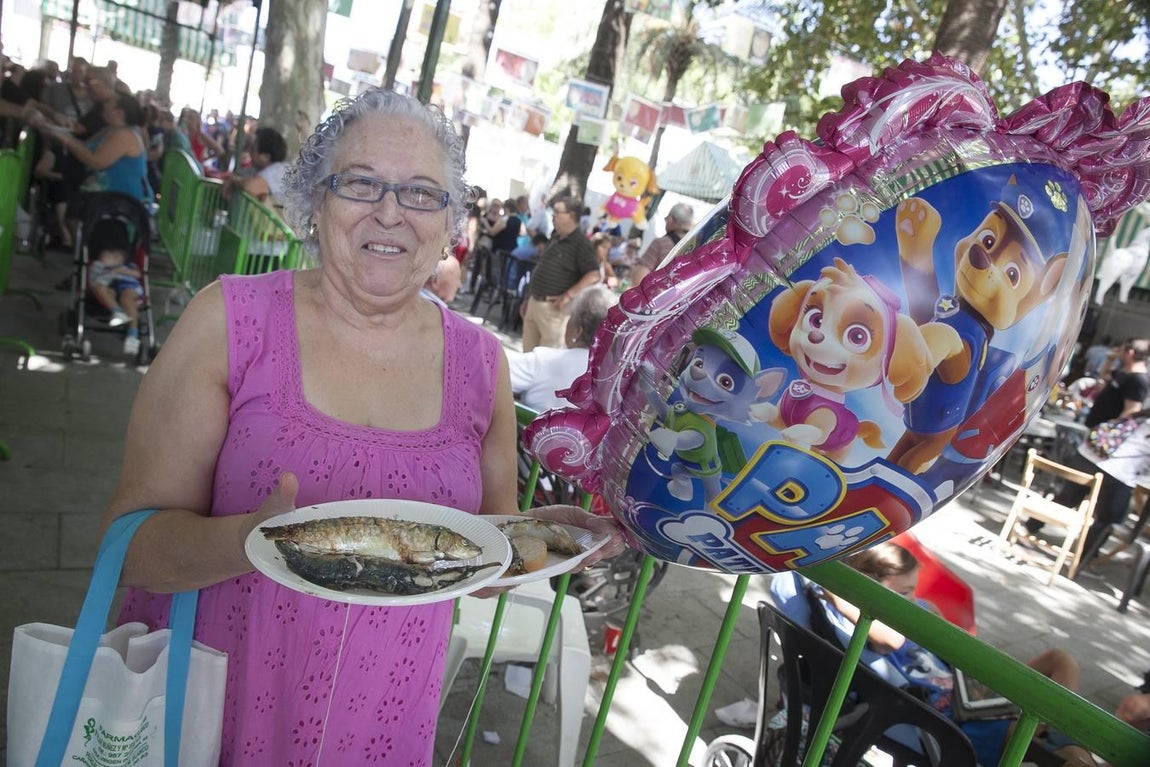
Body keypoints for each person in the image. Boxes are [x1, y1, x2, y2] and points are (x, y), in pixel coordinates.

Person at [101, 87, 623, 765]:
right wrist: (251, 540)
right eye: (360, 183)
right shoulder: (228, 323)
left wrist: (546, 537)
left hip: (380, 719)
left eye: (420, 193)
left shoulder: (479, 363)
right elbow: (130, 546)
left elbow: (483, 560)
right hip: (207, 700)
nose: (389, 211)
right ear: (316, 202)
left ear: (448, 223)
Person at [812, 542, 1094, 767]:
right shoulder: (874, 625)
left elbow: (962, 650)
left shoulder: (922, 608)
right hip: (953, 718)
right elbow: (894, 639)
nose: (912, 601)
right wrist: (837, 584)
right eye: (903, 593)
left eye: (913, 591)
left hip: (972, 693)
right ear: (868, 586)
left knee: (1061, 660)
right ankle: (1066, 746)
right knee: (1054, 748)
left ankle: (1066, 744)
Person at [508, 284, 617, 413]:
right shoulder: (616, 382)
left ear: (578, 330)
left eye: (570, 318)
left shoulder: (544, 361)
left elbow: (491, 371)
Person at [36, 91, 152, 202]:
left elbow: (96, 161)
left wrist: (66, 139)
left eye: (109, 104)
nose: (104, 106)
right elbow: (84, 147)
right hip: (106, 197)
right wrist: (55, 130)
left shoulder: (125, 135)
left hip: (124, 201)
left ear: (119, 113)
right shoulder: (110, 130)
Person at [519, 195, 601, 352]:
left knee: (547, 360)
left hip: (553, 310)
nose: (553, 216)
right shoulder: (555, 236)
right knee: (528, 357)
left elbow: (593, 275)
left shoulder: (581, 243)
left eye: (557, 212)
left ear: (570, 215)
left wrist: (568, 295)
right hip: (534, 303)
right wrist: (528, 298)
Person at [85, 217, 143, 355]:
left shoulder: (128, 265)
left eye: (118, 255)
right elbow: (94, 282)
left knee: (127, 299)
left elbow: (138, 275)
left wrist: (120, 270)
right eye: (109, 255)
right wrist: (106, 272)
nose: (114, 257)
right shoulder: (99, 266)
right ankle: (117, 311)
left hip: (129, 286)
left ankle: (133, 335)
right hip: (109, 286)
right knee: (101, 288)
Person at [1084, 338, 1149, 428]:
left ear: (1130, 352)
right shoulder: (1124, 372)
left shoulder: (1137, 379)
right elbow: (1104, 374)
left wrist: (1110, 429)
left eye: (1121, 350)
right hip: (1094, 424)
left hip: (1103, 432)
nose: (1118, 353)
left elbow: (1131, 410)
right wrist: (1110, 358)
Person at [630, 202, 694, 286]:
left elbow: (639, 278)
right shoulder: (695, 247)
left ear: (670, 219)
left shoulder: (660, 243)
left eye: (666, 218)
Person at [224, 126, 288, 207]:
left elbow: (250, 186)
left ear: (266, 157)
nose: (249, 153)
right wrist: (231, 179)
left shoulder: (279, 170)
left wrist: (234, 181)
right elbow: (238, 176)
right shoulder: (255, 168)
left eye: (253, 149)